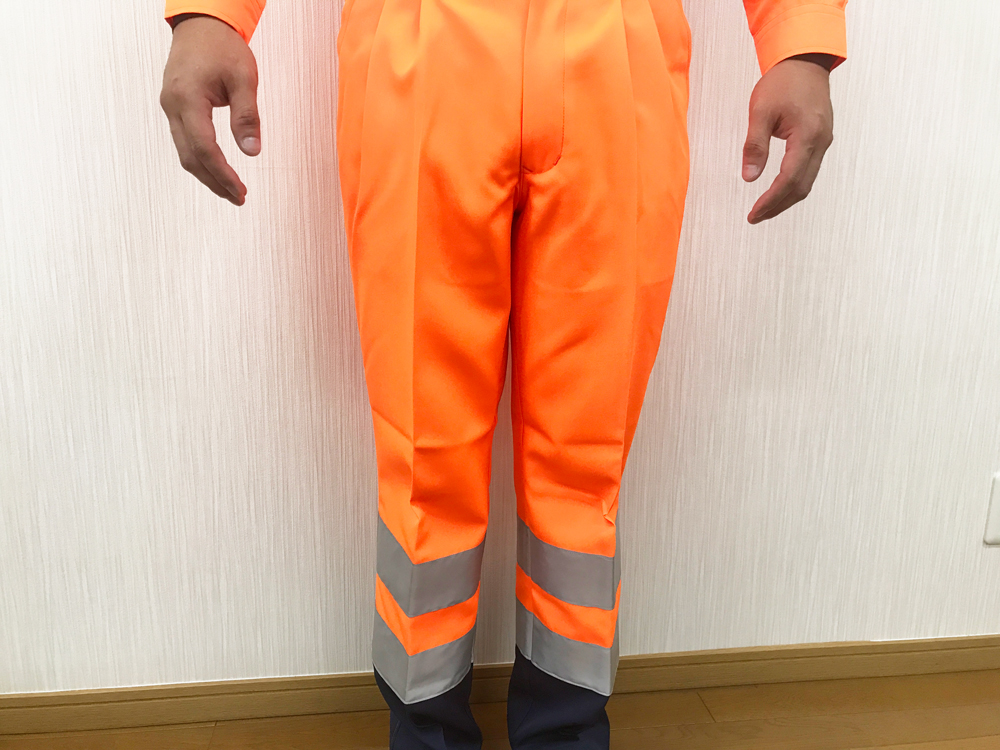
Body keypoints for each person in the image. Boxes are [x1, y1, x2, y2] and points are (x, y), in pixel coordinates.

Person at [159, 1, 847, 747]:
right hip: (423, 46)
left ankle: (566, 734)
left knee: (585, 461)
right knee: (424, 459)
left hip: (616, 53)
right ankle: (426, 735)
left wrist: (800, 39)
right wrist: (210, 13)